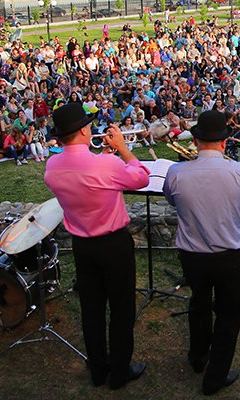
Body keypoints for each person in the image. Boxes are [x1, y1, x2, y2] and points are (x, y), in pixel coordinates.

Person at [44, 103, 150, 390]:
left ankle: (98, 370)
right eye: (88, 125)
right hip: (113, 244)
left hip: (82, 245)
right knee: (121, 308)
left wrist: (104, 158)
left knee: (92, 310)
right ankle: (119, 372)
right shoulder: (106, 164)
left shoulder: (52, 166)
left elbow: (85, 180)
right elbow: (141, 177)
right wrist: (123, 149)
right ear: (81, 130)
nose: (91, 128)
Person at [162, 110, 240, 396]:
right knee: (230, 315)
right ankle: (214, 376)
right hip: (230, 256)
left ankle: (198, 357)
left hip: (192, 255)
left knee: (199, 303)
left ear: (195, 141)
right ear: (224, 141)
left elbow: (171, 200)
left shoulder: (176, 172)